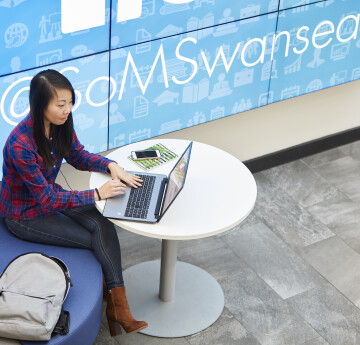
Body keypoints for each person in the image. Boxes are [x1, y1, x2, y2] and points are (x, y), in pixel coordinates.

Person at [0, 69, 148, 336]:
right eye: (60, 104)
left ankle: (117, 305)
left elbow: (78, 156)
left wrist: (111, 165)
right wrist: (97, 194)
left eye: (70, 103)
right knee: (94, 237)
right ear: (40, 104)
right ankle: (116, 303)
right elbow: (47, 198)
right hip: (24, 216)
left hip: (49, 199)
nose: (67, 110)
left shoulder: (59, 124)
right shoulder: (19, 144)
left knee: (103, 224)